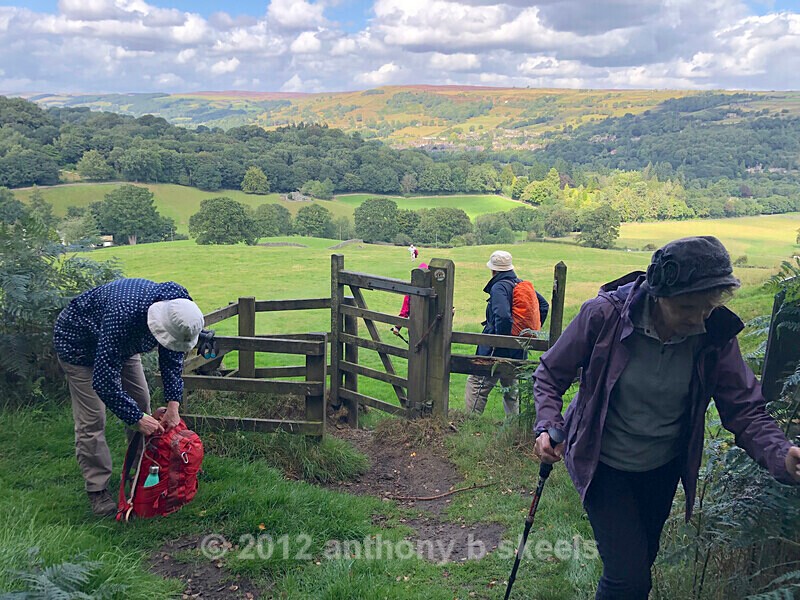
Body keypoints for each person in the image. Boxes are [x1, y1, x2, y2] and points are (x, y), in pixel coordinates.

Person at [532, 236, 800, 600]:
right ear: (658, 295)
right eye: (687, 307)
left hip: (661, 469)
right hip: (602, 463)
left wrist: (782, 455)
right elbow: (550, 373)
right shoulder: (604, 316)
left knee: (636, 568)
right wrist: (549, 423)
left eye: (707, 308)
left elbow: (745, 410)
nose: (698, 319)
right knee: (629, 580)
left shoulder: (714, 334)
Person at [53, 278, 205, 516]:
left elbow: (172, 355)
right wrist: (135, 418)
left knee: (141, 402)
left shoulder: (179, 308)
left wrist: (173, 403)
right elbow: (103, 382)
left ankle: (141, 469)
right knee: (92, 419)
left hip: (122, 344)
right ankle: (97, 488)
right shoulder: (123, 315)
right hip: (79, 345)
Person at [464, 250, 549, 416]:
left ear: (493, 270)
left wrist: (500, 341)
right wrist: (525, 333)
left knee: (478, 382)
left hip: (495, 349)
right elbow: (544, 306)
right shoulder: (520, 283)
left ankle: (470, 423)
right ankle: (513, 427)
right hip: (518, 349)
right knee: (511, 388)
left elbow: (502, 316)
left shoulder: (499, 287)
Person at [391, 262, 428, 339]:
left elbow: (404, 311)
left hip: (415, 327)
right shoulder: (434, 289)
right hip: (430, 328)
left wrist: (397, 327)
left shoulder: (410, 291)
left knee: (415, 348)